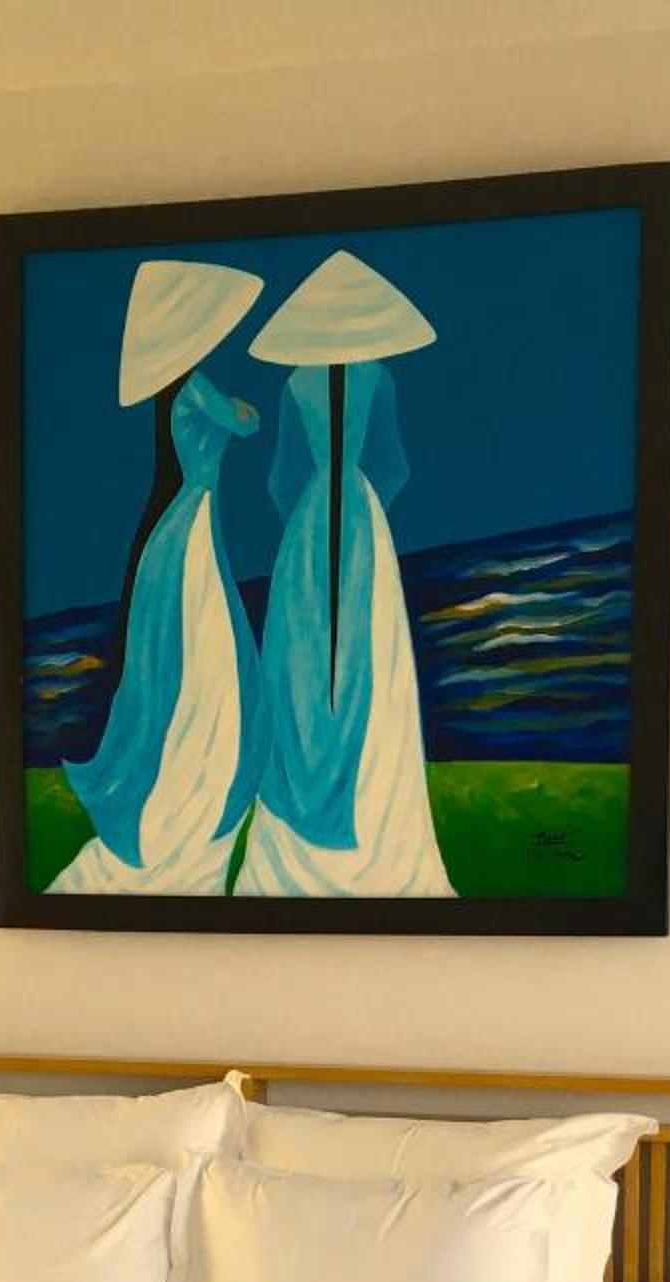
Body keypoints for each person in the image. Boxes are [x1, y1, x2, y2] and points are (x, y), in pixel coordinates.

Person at [226, 251, 454, 899]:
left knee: (299, 663)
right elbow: (394, 465)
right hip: (361, 517)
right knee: (366, 656)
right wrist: (363, 507)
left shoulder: (295, 384)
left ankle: (300, 819)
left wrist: (308, 516)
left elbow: (282, 478)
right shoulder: (378, 377)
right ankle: (367, 812)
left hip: (306, 524)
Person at [47, 259, 264, 896]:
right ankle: (191, 771)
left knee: (189, 649)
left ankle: (195, 761)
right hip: (189, 526)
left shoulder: (177, 388)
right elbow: (245, 421)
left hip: (186, 520)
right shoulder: (194, 384)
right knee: (201, 645)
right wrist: (241, 409)